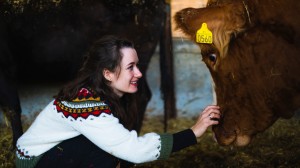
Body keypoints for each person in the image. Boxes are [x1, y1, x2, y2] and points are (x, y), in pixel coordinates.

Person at [15, 35, 221, 168]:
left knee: (114, 151)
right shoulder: (85, 103)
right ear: (108, 73)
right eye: (131, 67)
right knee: (109, 153)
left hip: (59, 154)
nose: (139, 73)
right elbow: (135, 150)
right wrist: (193, 132)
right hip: (35, 162)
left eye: (137, 65)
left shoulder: (112, 97)